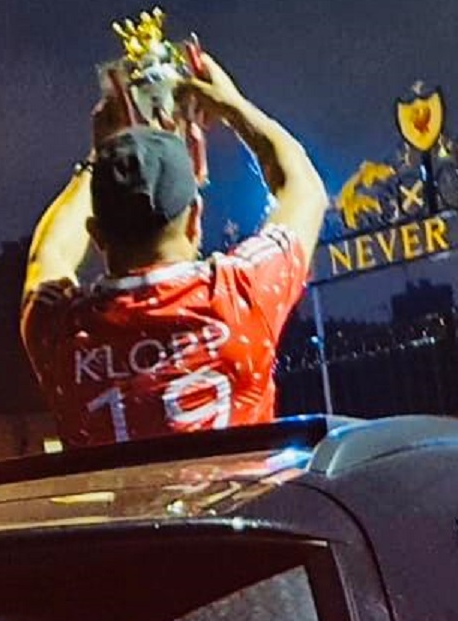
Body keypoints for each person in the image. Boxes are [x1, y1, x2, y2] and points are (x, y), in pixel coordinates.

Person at [21, 56, 327, 446]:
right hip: (244, 509)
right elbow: (303, 186)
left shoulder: (59, 330)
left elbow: (47, 255)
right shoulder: (240, 295)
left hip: (129, 511)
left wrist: (98, 160)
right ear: (195, 217)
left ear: (96, 235)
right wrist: (232, 105)